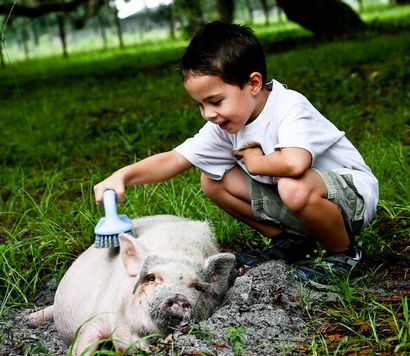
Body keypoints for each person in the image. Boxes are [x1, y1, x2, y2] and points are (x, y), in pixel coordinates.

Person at [93, 21, 378, 284]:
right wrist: (124, 175)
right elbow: (175, 159)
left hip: (351, 198)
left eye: (215, 101)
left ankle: (345, 254)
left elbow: (294, 163)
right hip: (301, 200)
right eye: (200, 105)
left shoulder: (288, 106)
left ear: (253, 83)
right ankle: (291, 242)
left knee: (293, 185)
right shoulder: (227, 124)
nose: (208, 113)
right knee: (212, 181)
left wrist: (256, 163)